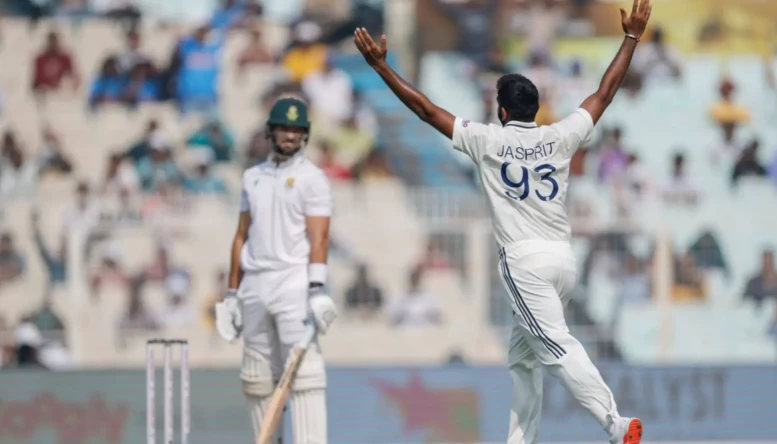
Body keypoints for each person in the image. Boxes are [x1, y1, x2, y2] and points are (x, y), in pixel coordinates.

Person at [352, 0, 652, 442]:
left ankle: (615, 422)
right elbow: (604, 93)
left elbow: (426, 110)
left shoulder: (488, 140)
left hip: (525, 262)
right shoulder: (559, 135)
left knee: (554, 346)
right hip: (562, 261)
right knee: (523, 359)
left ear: (503, 111)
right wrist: (630, 38)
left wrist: (382, 68)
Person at [214, 97, 337, 443]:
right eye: (284, 128)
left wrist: (317, 288)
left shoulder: (313, 179)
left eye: (296, 130)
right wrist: (232, 294)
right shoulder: (252, 177)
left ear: (305, 135)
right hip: (255, 283)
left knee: (305, 376)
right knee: (256, 377)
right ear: (270, 132)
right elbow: (241, 236)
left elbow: (320, 237)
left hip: (293, 283)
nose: (290, 136)